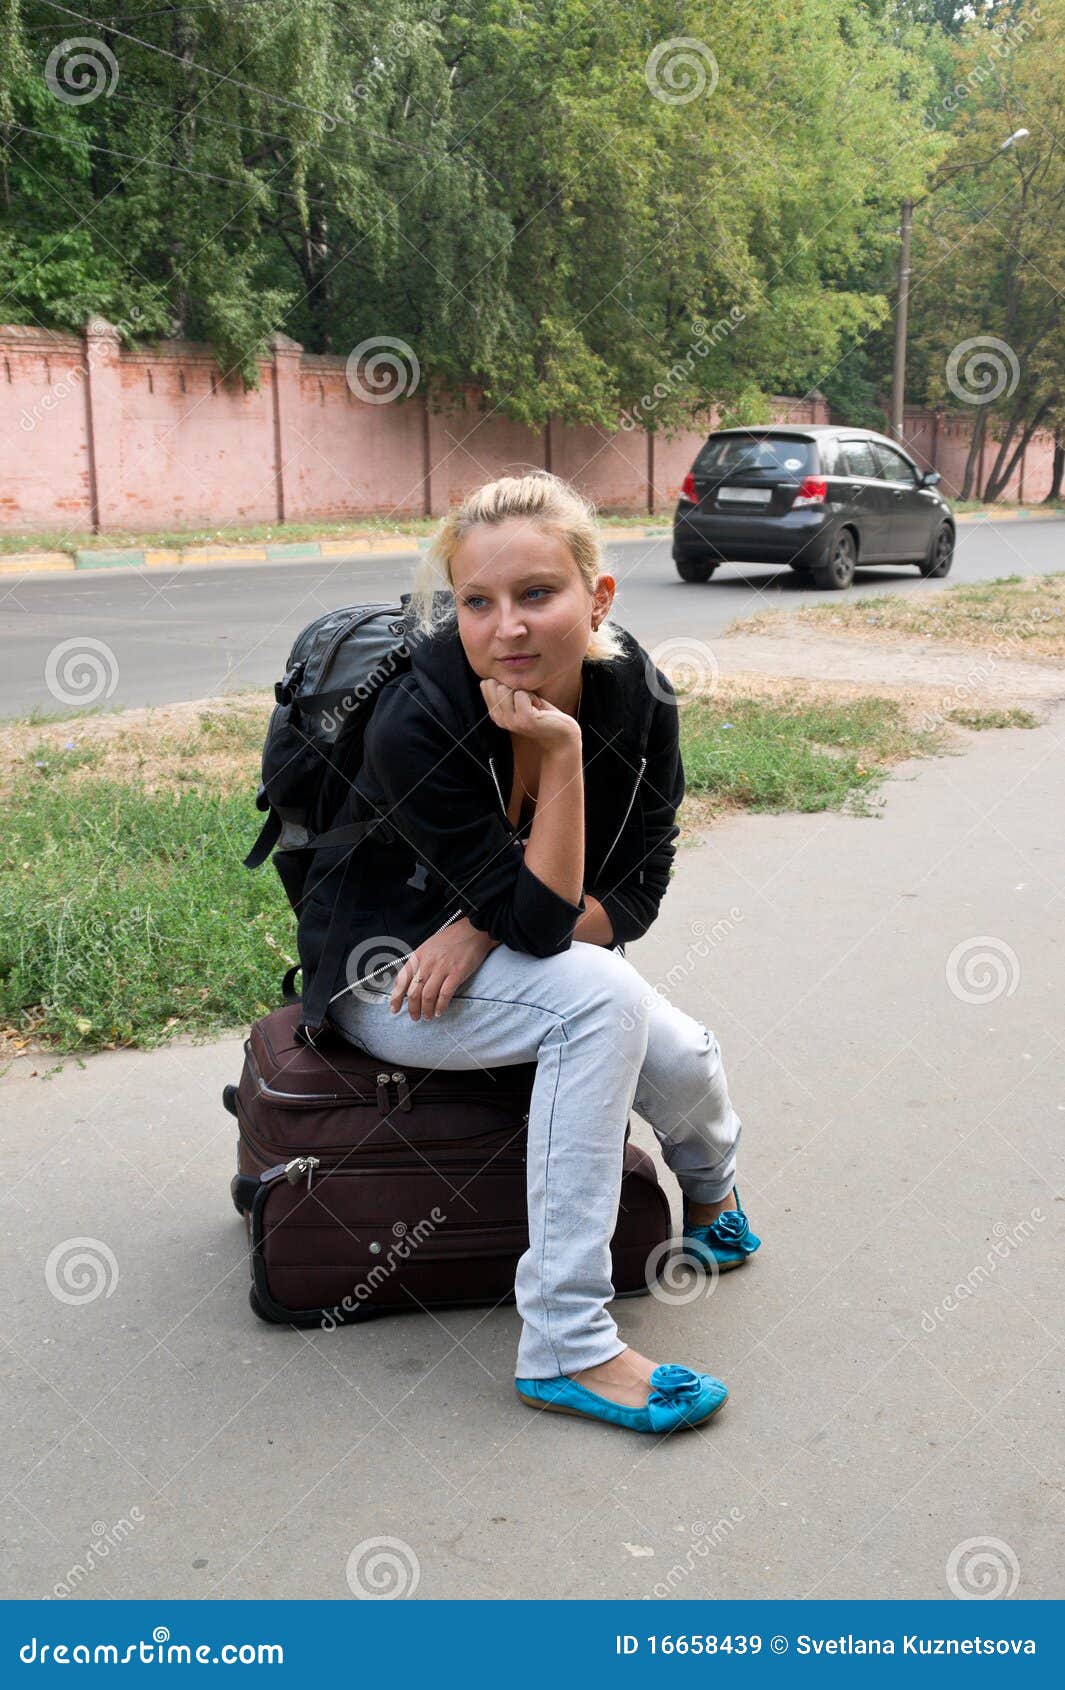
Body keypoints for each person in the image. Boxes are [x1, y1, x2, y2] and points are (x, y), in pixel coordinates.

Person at [297, 471, 760, 1435]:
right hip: (391, 972)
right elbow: (549, 928)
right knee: (601, 1000)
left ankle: (713, 1199)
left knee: (670, 1049)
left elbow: (636, 892)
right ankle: (567, 1342)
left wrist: (485, 919)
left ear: (597, 601)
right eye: (477, 601)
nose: (505, 627)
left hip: (513, 956)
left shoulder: (639, 701)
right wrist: (552, 760)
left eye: (536, 594)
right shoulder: (416, 717)